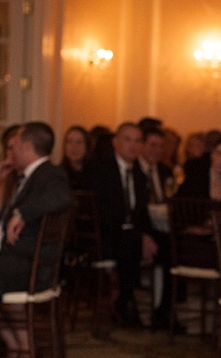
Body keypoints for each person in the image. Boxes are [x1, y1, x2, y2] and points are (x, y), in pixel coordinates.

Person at [88, 121, 157, 328]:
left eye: (137, 141)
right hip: (104, 236)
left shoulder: (139, 173)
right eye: (127, 139)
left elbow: (141, 213)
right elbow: (104, 213)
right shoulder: (100, 169)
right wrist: (138, 235)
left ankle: (162, 310)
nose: (133, 145)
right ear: (115, 142)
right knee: (130, 244)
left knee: (165, 245)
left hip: (128, 234)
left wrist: (146, 235)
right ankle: (126, 303)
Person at [0, 121, 74, 295]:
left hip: (29, 266)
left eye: (15, 145)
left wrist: (22, 214)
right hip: (16, 259)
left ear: (26, 146)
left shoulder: (49, 173)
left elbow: (63, 197)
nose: (12, 151)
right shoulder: (29, 176)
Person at [59, 125, 92, 192]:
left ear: (87, 146)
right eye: (69, 142)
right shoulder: (58, 175)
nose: (74, 147)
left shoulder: (96, 174)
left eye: (79, 142)